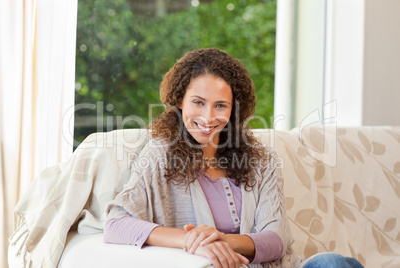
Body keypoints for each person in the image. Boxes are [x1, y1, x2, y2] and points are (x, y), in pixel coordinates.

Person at [104, 48, 363, 268]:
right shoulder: (160, 154)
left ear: (233, 108)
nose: (207, 117)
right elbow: (116, 225)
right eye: (198, 102)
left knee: (334, 263)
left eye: (220, 105)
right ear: (179, 100)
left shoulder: (262, 160)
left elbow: (276, 239)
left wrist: (220, 240)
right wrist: (191, 240)